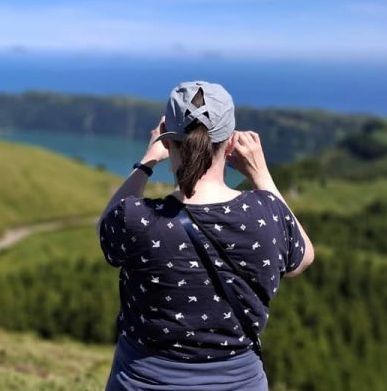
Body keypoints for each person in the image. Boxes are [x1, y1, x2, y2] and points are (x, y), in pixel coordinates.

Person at [98, 81, 314, 391]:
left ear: (168, 141)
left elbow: (106, 229)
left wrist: (146, 162)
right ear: (230, 145)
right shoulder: (266, 212)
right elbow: (302, 257)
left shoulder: (137, 218)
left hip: (142, 380)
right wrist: (260, 174)